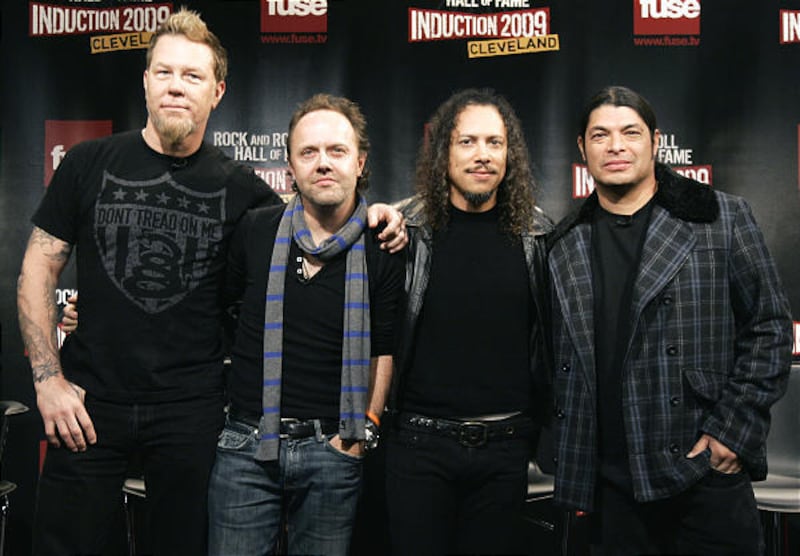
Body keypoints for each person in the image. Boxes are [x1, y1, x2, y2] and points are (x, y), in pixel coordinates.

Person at [16, 9, 405, 556]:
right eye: (165, 72)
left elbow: (317, 218)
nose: (177, 87)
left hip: (193, 412)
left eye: (193, 76)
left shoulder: (243, 188)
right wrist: (47, 379)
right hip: (88, 400)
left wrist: (377, 214)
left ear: (217, 91)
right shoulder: (87, 162)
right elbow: (38, 264)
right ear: (146, 81)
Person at [547, 85, 793, 555]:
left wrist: (730, 435)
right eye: (600, 135)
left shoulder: (721, 217)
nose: (615, 146)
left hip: (700, 471)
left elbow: (770, 328)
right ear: (582, 149)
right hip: (607, 484)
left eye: (630, 132)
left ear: (656, 142)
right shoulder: (564, 241)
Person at [206, 93, 403, 556]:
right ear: (290, 167)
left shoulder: (384, 244)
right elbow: (215, 314)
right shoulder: (255, 229)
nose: (323, 164)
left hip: (334, 449)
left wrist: (363, 431)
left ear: (360, 161)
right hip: (245, 445)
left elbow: (383, 349)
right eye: (308, 152)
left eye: (336, 151)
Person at [385, 88, 553, 555]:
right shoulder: (403, 230)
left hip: (505, 447)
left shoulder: (540, 235)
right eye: (467, 142)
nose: (483, 156)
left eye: (495, 143)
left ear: (510, 154)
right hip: (418, 445)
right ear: (443, 153)